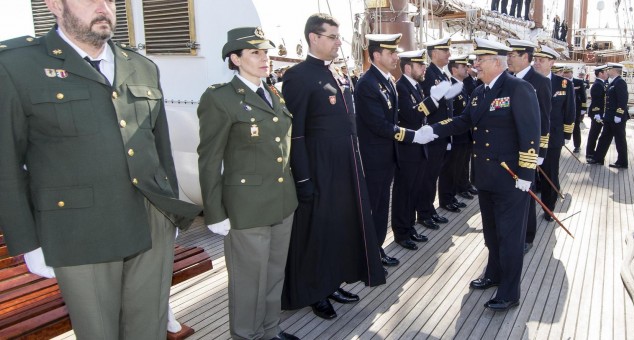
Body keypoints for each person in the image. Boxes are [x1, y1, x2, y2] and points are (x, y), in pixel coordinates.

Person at [0, 0, 202, 338]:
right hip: (78, 231)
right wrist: (29, 243)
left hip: (150, 221)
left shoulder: (140, 66)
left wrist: (170, 211)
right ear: (54, 5)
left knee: (148, 329)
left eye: (109, 0)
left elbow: (159, 147)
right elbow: (6, 163)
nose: (103, 6)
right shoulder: (17, 66)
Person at [281, 14, 386, 320]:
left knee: (338, 228)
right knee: (317, 232)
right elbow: (295, 133)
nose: (340, 42)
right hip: (317, 168)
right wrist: (303, 178)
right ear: (314, 38)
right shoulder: (298, 76)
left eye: (339, 37)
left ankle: (332, 281)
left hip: (344, 168)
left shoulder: (338, 74)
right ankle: (315, 291)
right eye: (333, 37)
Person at [197, 27, 299, 340]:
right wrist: (214, 213)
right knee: (247, 283)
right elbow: (209, 159)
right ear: (235, 58)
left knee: (272, 276)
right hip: (246, 209)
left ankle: (269, 331)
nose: (264, 58)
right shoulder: (220, 98)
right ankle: (245, 335)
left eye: (266, 52)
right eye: (255, 52)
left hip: (282, 202)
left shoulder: (271, 92)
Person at [428, 38, 541, 311]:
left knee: (510, 237)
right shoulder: (479, 92)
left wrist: (526, 173)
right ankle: (493, 273)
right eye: (475, 60)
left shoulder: (519, 89)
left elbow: (531, 133)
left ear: (497, 62)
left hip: (512, 178)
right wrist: (431, 130)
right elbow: (463, 121)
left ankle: (509, 291)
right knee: (491, 233)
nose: (474, 64)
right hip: (486, 177)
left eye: (480, 60)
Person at [354, 33, 438, 258]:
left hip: (388, 156)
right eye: (391, 53)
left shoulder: (386, 81)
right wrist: (413, 136)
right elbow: (379, 125)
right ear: (376, 55)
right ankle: (369, 253)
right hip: (374, 159)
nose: (396, 57)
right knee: (374, 208)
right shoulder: (367, 84)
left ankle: (377, 249)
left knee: (381, 208)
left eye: (396, 53)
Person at [505, 39, 552, 254]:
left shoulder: (539, 82)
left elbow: (544, 119)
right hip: (510, 148)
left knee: (527, 192)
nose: (508, 59)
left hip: (529, 151)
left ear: (525, 57)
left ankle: (528, 236)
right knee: (512, 194)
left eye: (512, 55)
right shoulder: (508, 80)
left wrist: (539, 153)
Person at [391, 49, 436, 251]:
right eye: (420, 65)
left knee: (414, 190)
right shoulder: (401, 87)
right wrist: (432, 101)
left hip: (419, 147)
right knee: (404, 192)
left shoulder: (416, 86)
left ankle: (409, 227)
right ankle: (401, 232)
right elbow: (411, 116)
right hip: (407, 149)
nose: (424, 68)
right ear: (408, 68)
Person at [532, 45, 575, 221]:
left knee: (550, 173)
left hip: (552, 137)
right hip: (530, 136)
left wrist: (566, 135)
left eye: (541, 60)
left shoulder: (564, 84)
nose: (536, 63)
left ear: (552, 62)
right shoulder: (527, 81)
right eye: (535, 60)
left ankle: (549, 208)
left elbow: (569, 110)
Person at [419, 37, 460, 219]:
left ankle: (430, 209)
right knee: (428, 177)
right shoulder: (428, 74)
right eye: (446, 51)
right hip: (433, 133)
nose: (449, 54)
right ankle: (425, 212)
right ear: (435, 53)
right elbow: (429, 104)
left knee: (435, 174)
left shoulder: (442, 75)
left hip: (443, 133)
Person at [588, 63, 630, 168]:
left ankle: (622, 162)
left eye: (608, 70)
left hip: (617, 118)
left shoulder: (620, 82)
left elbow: (623, 100)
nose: (607, 72)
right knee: (604, 138)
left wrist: (619, 114)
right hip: (609, 117)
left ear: (614, 70)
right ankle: (598, 158)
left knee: (620, 140)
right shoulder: (613, 82)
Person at [446, 56, 475, 201]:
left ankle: (464, 185)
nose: (467, 69)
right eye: (463, 66)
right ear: (454, 69)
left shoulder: (463, 85)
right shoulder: (450, 86)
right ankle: (455, 190)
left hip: (466, 133)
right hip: (456, 134)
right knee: (454, 166)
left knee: (464, 163)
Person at [586, 65, 609, 160]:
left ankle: (591, 152)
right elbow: (596, 101)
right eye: (605, 72)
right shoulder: (597, 85)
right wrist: (597, 114)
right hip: (597, 114)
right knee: (594, 134)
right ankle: (590, 153)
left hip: (599, 113)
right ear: (600, 73)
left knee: (595, 133)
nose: (607, 74)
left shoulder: (601, 84)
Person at [565, 67, 588, 153]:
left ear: (571, 72)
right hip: (564, 108)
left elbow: (583, 96)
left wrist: (583, 108)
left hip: (576, 108)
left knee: (575, 127)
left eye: (567, 72)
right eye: (564, 73)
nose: (566, 74)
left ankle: (577, 145)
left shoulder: (578, 82)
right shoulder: (562, 81)